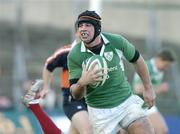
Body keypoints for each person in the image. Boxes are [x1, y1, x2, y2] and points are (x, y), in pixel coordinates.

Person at [68, 10, 155, 134]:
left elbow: (138, 60)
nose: (83, 29)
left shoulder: (116, 41)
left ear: (97, 28)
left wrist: (148, 87)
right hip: (100, 112)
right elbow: (76, 95)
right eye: (80, 25)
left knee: (145, 129)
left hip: (125, 102)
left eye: (87, 25)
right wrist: (82, 82)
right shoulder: (74, 55)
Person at [38, 43, 92, 134]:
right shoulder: (67, 52)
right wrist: (46, 87)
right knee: (88, 130)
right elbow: (49, 65)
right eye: (82, 28)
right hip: (73, 100)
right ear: (77, 32)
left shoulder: (98, 52)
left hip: (92, 101)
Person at [132, 50, 175, 134]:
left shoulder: (159, 71)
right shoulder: (145, 66)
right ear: (159, 59)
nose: (166, 68)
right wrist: (159, 88)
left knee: (162, 130)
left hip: (148, 105)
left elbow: (152, 91)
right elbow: (137, 88)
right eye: (166, 65)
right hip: (137, 105)